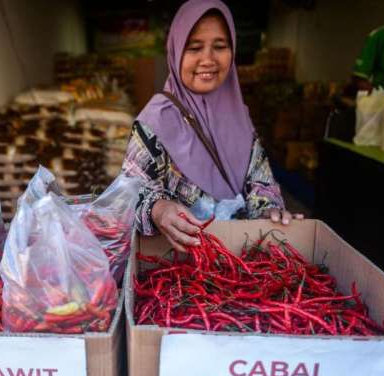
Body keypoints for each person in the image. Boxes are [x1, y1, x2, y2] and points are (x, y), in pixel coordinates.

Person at [122, 0, 301, 253]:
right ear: (175, 52)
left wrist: (270, 211)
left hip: (240, 266)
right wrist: (158, 209)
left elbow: (262, 185)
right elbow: (126, 198)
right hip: (177, 266)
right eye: (194, 48)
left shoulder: (240, 118)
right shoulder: (154, 122)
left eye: (220, 46)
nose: (208, 59)